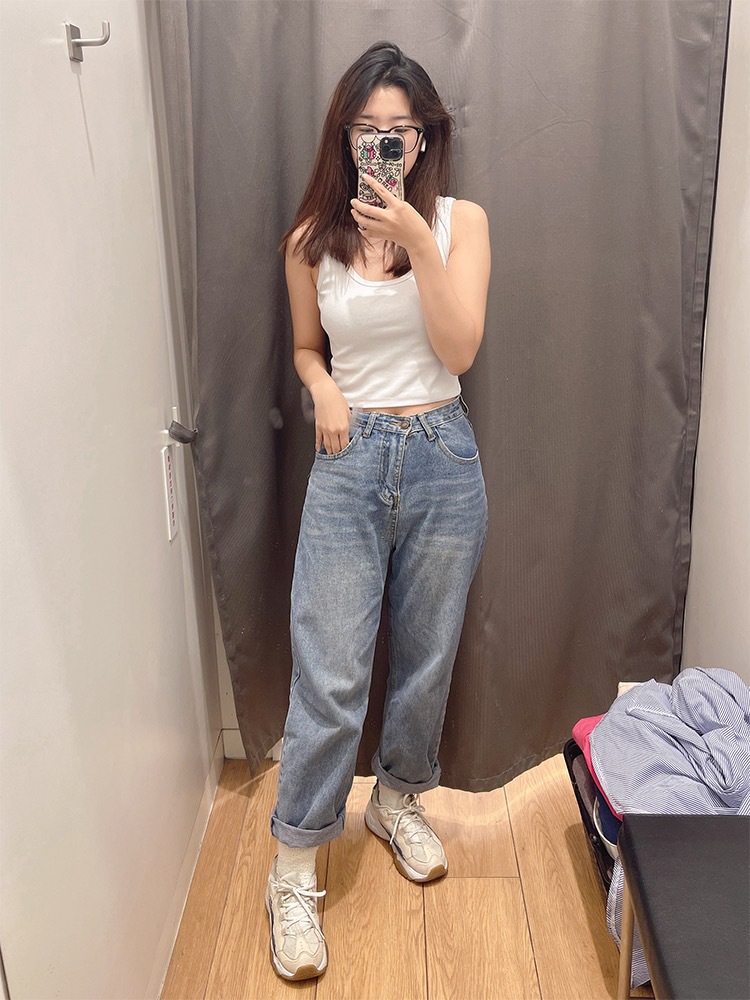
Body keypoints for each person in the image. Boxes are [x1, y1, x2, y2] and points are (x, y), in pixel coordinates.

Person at [266, 40, 491, 981]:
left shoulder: (461, 222)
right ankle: (293, 867)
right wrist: (322, 388)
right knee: (329, 673)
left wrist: (418, 240)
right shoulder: (308, 239)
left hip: (443, 454)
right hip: (348, 458)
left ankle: (398, 800)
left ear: (425, 137)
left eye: (400, 130)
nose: (384, 144)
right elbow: (306, 348)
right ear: (344, 137)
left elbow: (460, 348)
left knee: (428, 657)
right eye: (367, 130)